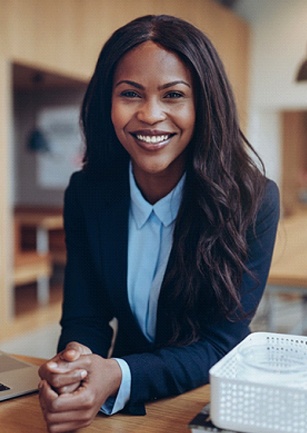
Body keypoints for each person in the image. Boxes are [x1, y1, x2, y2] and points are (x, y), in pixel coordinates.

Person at [38, 14, 279, 433]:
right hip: (121, 406)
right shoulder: (87, 192)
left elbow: (222, 342)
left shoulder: (252, 201)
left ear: (203, 105)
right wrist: (74, 368)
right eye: (130, 93)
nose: (150, 115)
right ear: (107, 104)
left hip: (205, 400)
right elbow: (85, 316)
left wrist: (116, 374)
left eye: (173, 95)